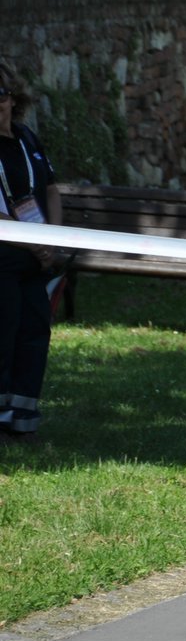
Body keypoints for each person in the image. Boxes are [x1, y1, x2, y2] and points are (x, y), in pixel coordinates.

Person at [0, 60, 65, 438]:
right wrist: (34, 244)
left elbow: (51, 189)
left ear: (13, 98)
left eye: (1, 96)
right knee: (3, 335)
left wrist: (54, 239)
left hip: (38, 257)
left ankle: (22, 419)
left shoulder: (27, 139)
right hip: (6, 258)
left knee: (34, 335)